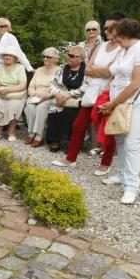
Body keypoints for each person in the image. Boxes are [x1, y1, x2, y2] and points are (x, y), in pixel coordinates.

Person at [52, 15, 123, 174]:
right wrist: (102, 72)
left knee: (107, 129)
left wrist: (100, 71)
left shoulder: (122, 49)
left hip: (108, 92)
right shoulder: (101, 46)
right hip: (92, 92)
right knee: (79, 125)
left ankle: (105, 164)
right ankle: (70, 159)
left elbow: (111, 72)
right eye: (105, 28)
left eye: (110, 28)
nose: (106, 31)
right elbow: (88, 69)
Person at [98, 19, 140, 204]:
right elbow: (112, 72)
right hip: (117, 101)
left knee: (131, 143)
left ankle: (132, 186)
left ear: (125, 35)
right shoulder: (123, 50)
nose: (115, 40)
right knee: (120, 138)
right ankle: (121, 174)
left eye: (117, 37)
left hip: (133, 102)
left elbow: (136, 83)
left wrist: (114, 102)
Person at [45, 45, 89, 152]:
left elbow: (86, 87)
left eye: (73, 56)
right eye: (68, 55)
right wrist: (57, 95)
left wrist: (69, 95)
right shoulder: (61, 68)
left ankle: (71, 142)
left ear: (81, 59)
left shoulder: (87, 70)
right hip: (60, 97)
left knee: (70, 113)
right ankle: (55, 140)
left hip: (76, 99)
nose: (69, 57)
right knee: (55, 110)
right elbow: (52, 84)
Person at [0, 46, 27, 142]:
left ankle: (11, 133)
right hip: (1, 93)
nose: (7, 57)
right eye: (5, 55)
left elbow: (23, 85)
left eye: (10, 55)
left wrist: (8, 90)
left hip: (16, 94)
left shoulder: (20, 68)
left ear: (15, 58)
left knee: (14, 106)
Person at [24, 47, 60, 147]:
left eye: (48, 57)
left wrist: (46, 96)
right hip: (35, 95)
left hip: (49, 96)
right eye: (44, 57)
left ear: (55, 59)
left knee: (41, 108)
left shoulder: (59, 71)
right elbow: (31, 86)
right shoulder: (39, 70)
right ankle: (31, 133)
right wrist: (33, 94)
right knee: (30, 107)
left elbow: (58, 88)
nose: (45, 59)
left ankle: (39, 136)